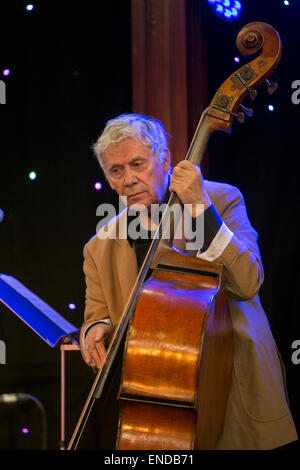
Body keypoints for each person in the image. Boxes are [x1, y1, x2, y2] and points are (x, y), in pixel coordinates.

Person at [80, 113, 298, 450]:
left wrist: (199, 206)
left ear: (165, 158)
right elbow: (97, 312)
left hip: (232, 389)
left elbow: (247, 282)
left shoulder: (222, 200)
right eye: (116, 171)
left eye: (138, 164)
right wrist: (97, 327)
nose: (128, 180)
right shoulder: (99, 246)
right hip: (160, 405)